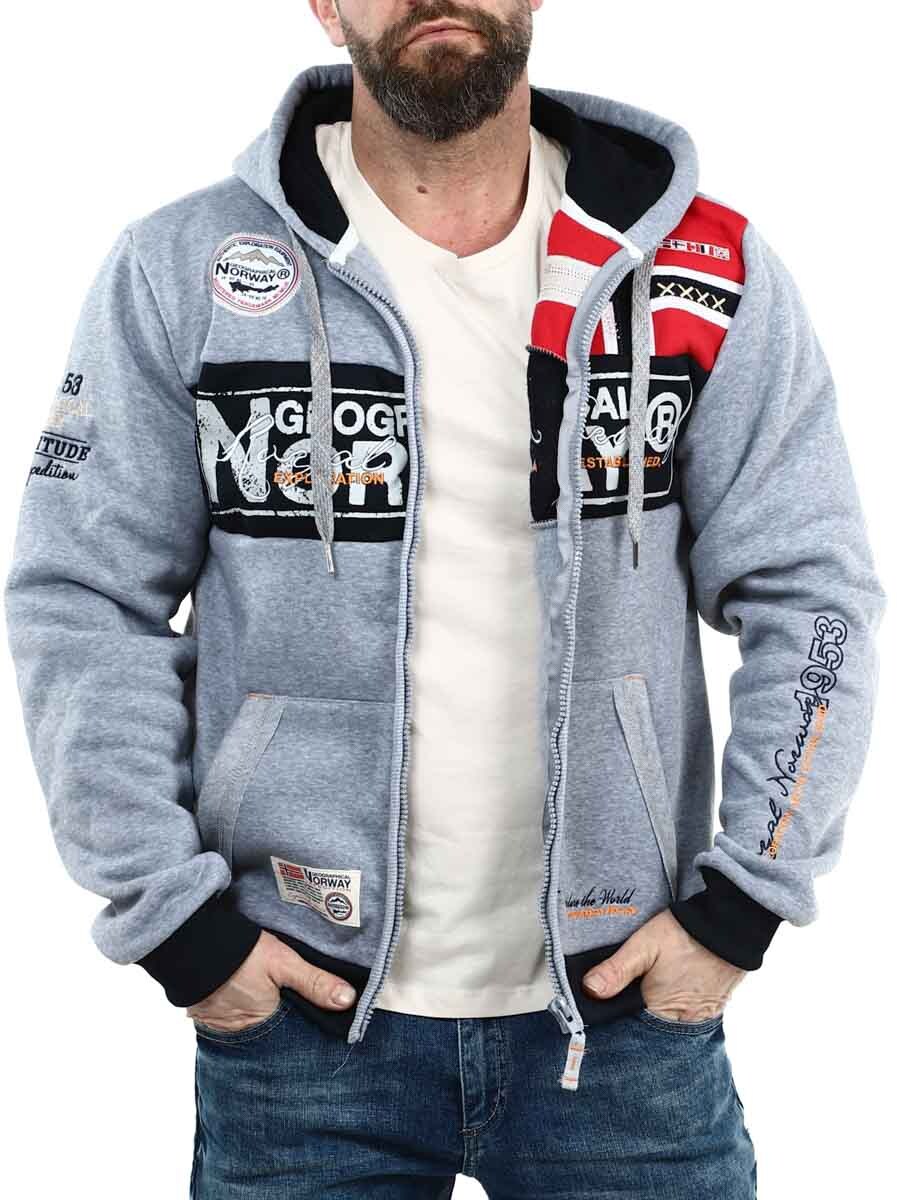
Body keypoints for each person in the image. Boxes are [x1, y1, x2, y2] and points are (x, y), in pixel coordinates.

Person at [4, 2, 887, 1196]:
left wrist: (746, 902)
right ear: (325, 3)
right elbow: (83, 600)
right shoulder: (181, 270)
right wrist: (179, 925)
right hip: (301, 1026)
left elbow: (814, 592)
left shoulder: (699, 267)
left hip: (625, 1022)